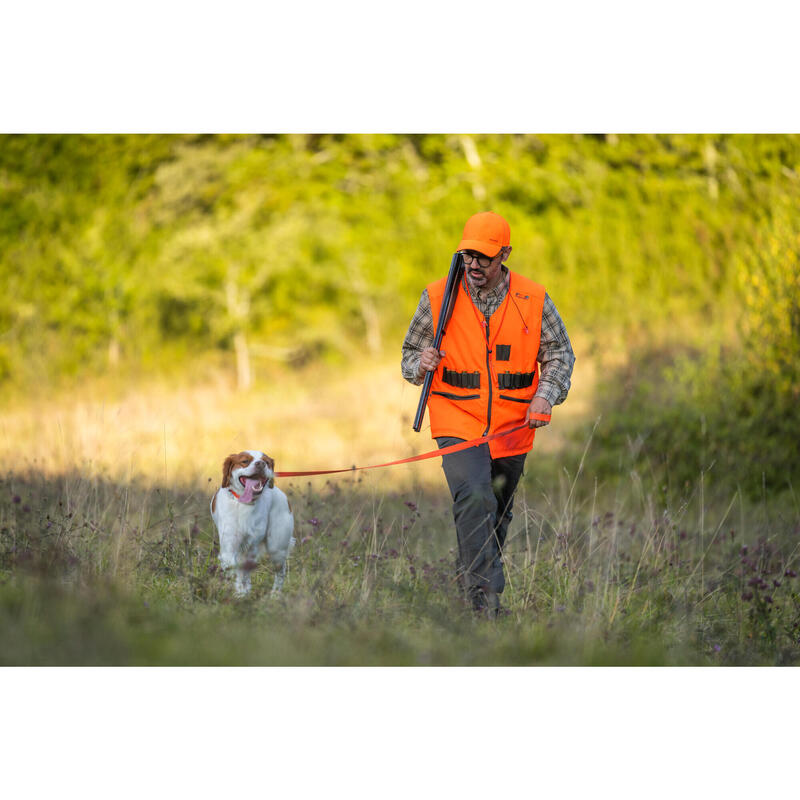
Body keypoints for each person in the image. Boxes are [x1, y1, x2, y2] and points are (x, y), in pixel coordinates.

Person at [402, 211, 575, 617]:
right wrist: (420, 363)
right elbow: (409, 356)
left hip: (514, 427)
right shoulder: (437, 296)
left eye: (484, 257)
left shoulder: (533, 299)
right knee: (475, 495)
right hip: (457, 419)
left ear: (505, 254)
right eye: (468, 256)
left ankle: (471, 586)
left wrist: (545, 397)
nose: (475, 265)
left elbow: (560, 353)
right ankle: (486, 605)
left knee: (495, 511)